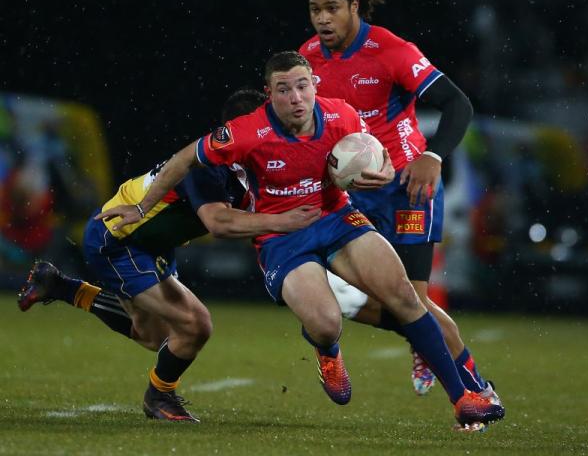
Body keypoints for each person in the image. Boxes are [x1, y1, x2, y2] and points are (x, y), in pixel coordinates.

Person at [98, 51, 504, 430]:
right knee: (327, 324)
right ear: (268, 94)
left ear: (315, 84)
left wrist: (378, 169)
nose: (296, 97)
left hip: (337, 217)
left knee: (403, 295)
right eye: (283, 89)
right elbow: (187, 157)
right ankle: (327, 351)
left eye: (302, 86)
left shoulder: (341, 114)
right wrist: (141, 206)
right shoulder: (247, 132)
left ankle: (463, 397)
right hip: (280, 237)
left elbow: (372, 152)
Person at [18, 89, 321, 423]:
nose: (275, 134)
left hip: (150, 243)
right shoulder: (211, 164)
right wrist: (284, 222)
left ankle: (60, 286)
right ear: (243, 127)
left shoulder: (241, 165)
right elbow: (219, 224)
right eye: (268, 125)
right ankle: (159, 397)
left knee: (154, 337)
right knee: (194, 325)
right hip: (120, 240)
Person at [299, 0, 498, 402]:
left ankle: (478, 390)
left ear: (354, 7)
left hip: (410, 190)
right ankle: (410, 342)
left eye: (332, 8)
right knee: (321, 297)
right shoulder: (308, 61)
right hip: (353, 198)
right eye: (315, 9)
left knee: (414, 303)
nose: (323, 19)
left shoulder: (391, 50)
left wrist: (433, 155)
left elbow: (457, 104)